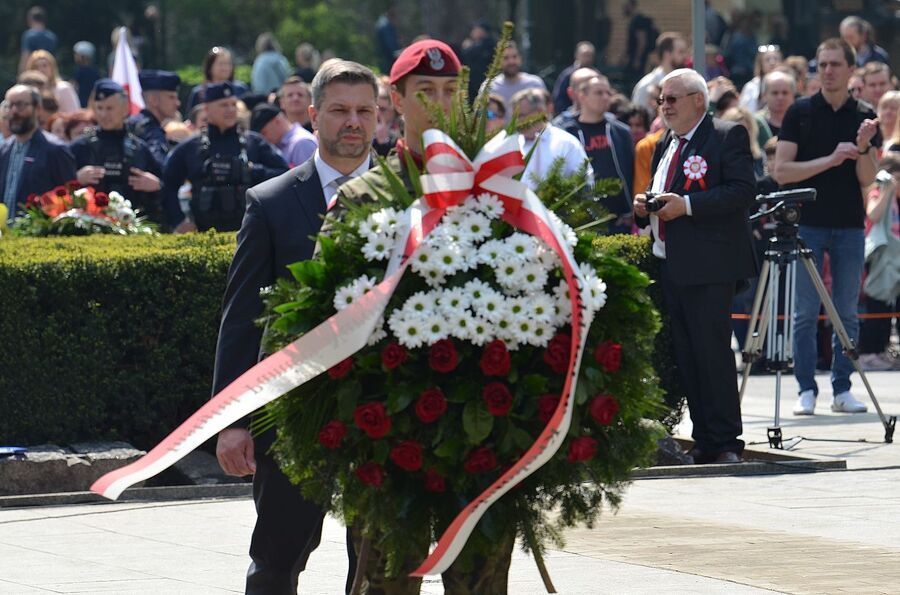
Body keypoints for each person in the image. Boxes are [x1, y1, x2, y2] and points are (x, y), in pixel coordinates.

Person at [213, 58, 378, 595]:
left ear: (381, 117)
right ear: (312, 116)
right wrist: (232, 421)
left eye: (364, 111)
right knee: (276, 562)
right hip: (292, 417)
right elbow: (242, 319)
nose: (352, 122)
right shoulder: (271, 203)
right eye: (338, 111)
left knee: (382, 566)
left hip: (390, 411)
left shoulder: (415, 200)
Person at [633, 68, 756, 463]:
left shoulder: (725, 135)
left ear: (698, 100)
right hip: (672, 264)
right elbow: (664, 193)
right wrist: (644, 207)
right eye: (661, 100)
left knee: (712, 354)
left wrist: (685, 206)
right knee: (688, 356)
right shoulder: (667, 141)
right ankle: (704, 438)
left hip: (710, 266)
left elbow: (741, 191)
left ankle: (726, 443)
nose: (664, 107)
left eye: (672, 99)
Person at [773, 38, 879, 415]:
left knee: (847, 312)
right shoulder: (800, 112)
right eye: (823, 64)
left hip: (850, 224)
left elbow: (868, 179)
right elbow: (781, 172)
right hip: (809, 225)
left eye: (836, 64)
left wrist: (864, 148)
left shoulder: (863, 114)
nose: (829, 71)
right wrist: (831, 159)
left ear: (851, 69)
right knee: (805, 312)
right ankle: (805, 388)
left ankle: (842, 388)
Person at [162, 81, 288, 233]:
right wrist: (179, 221)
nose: (230, 110)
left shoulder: (253, 142)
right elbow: (168, 185)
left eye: (233, 104)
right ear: (207, 109)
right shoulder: (190, 147)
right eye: (223, 105)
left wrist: (251, 170)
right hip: (205, 235)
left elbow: (284, 175)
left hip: (252, 232)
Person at [69, 79, 164, 226]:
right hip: (88, 228)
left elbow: (165, 187)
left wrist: (156, 185)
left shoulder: (140, 149)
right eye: (99, 108)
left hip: (131, 228)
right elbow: (56, 188)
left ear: (125, 109)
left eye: (109, 108)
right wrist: (75, 179)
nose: (104, 114)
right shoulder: (80, 147)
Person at [560, 74, 634, 233]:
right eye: (599, 93)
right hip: (582, 222)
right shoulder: (567, 134)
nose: (605, 97)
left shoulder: (621, 132)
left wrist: (631, 210)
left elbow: (631, 171)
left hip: (620, 221)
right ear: (582, 96)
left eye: (608, 92)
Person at [0, 84, 76, 223]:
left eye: (21, 105)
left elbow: (70, 203)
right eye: (9, 105)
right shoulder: (3, 150)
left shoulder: (55, 150)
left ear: (38, 109)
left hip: (38, 238)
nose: (14, 111)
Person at [858, 153, 900, 371]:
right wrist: (887, 189)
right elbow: (873, 214)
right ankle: (869, 352)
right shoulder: (879, 191)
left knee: (888, 307)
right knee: (876, 305)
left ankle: (881, 350)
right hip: (878, 258)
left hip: (893, 259)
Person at [512, 88, 592, 192]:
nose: (518, 122)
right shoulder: (512, 145)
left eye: (521, 115)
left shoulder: (566, 143)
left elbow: (585, 181)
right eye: (515, 117)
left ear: (539, 112)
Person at [484, 40, 548, 124]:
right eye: (506, 58)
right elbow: (482, 115)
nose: (511, 62)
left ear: (520, 59)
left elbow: (547, 113)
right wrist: (494, 116)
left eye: (514, 57)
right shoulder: (489, 87)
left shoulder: (535, 84)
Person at [127, 69, 181, 168]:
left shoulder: (135, 123)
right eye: (171, 97)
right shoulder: (150, 129)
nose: (177, 103)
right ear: (153, 100)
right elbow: (161, 166)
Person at [631, 32, 688, 113]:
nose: (685, 56)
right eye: (681, 52)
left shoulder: (685, 83)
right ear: (667, 54)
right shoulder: (646, 86)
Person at [250, 102, 317, 167]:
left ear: (277, 121)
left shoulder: (302, 143)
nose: (262, 139)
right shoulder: (283, 144)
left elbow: (314, 177)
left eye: (264, 133)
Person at [187, 47, 250, 111]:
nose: (225, 68)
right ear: (209, 67)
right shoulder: (199, 92)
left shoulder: (240, 88)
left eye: (228, 64)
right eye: (221, 64)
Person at [551, 41, 596, 116]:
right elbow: (559, 98)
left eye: (589, 55)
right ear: (577, 55)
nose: (587, 58)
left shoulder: (596, 75)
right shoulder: (567, 75)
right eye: (584, 55)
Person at [753, 69, 796, 146]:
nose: (780, 97)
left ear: (793, 95)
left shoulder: (801, 122)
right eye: (775, 93)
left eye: (785, 93)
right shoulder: (755, 124)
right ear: (764, 95)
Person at [739, 44, 782, 113]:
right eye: (767, 59)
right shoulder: (751, 86)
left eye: (775, 58)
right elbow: (744, 111)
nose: (772, 62)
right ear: (761, 64)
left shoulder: (787, 84)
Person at [460, 20, 496, 100]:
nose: (473, 31)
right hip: (471, 83)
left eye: (475, 29)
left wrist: (469, 48)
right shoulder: (474, 44)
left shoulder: (488, 44)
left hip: (483, 82)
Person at [623, 1, 658, 79]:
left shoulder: (639, 20)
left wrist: (637, 59)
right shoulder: (637, 19)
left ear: (632, 6)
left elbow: (642, 40)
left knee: (635, 78)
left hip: (641, 57)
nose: (624, 8)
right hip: (640, 56)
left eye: (626, 6)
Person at [19, 6, 57, 73]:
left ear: (30, 19)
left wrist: (21, 74)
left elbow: (25, 56)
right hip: (48, 71)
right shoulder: (51, 36)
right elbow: (53, 58)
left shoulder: (29, 35)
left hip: (33, 71)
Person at [374, 2, 401, 74]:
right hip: (387, 64)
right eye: (395, 8)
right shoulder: (384, 26)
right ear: (390, 9)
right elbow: (391, 50)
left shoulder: (385, 23)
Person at [72, 41, 100, 109]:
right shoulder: (95, 70)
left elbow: (74, 86)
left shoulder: (79, 71)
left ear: (83, 56)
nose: (75, 56)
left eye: (76, 54)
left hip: (81, 103)